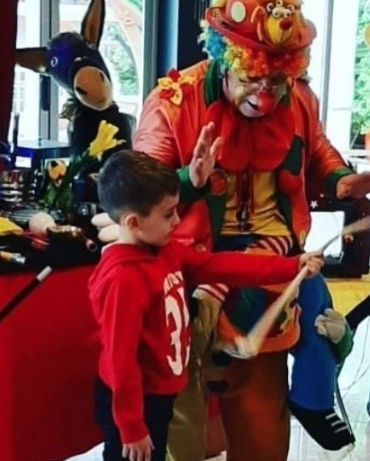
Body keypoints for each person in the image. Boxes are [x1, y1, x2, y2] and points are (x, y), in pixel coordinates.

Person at [128, 1, 370, 459]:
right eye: (252, 79)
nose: (265, 96)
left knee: (290, 365)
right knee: (181, 411)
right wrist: (188, 181)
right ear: (226, 60)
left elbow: (318, 149)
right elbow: (138, 192)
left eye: (276, 82)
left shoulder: (298, 98)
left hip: (274, 257)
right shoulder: (172, 102)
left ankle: (311, 400)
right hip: (194, 265)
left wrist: (341, 179)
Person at [88, 150, 324, 461]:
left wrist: (291, 266)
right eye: (168, 214)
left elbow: (223, 265)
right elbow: (120, 361)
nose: (177, 221)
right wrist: (132, 427)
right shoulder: (123, 281)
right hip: (134, 403)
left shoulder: (165, 251)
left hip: (157, 396)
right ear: (133, 222)